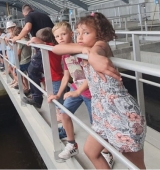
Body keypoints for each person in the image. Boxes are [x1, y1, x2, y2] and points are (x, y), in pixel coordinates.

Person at [54, 12, 146, 169]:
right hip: (101, 112)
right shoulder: (85, 49)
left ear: (100, 34)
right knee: (90, 151)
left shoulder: (100, 45)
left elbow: (99, 50)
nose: (80, 37)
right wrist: (85, 52)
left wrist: (94, 56)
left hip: (121, 112)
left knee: (134, 164)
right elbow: (57, 48)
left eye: (86, 33)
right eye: (78, 33)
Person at [48, 22, 114, 167]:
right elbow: (66, 76)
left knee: (97, 125)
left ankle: (106, 152)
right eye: (57, 36)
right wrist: (58, 94)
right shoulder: (65, 54)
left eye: (63, 34)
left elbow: (91, 76)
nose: (60, 38)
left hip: (90, 92)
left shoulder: (82, 51)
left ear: (71, 33)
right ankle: (72, 145)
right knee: (64, 114)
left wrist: (78, 91)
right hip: (76, 89)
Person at [22, 27, 63, 109]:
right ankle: (59, 113)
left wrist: (32, 40)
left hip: (55, 78)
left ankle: (60, 114)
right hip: (53, 77)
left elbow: (36, 40)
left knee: (57, 99)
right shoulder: (52, 47)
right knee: (56, 96)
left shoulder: (49, 47)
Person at [13, 26, 31, 95]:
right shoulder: (28, 39)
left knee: (15, 73)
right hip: (29, 60)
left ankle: (24, 88)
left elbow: (18, 54)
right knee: (25, 76)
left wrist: (16, 64)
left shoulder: (21, 41)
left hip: (22, 62)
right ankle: (27, 88)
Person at [5, 21, 18, 87]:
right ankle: (15, 80)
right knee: (11, 66)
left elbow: (14, 46)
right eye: (9, 28)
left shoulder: (15, 34)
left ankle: (17, 81)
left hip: (13, 52)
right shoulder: (7, 35)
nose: (11, 29)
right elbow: (6, 45)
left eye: (12, 27)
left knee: (14, 67)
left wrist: (9, 41)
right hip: (9, 52)